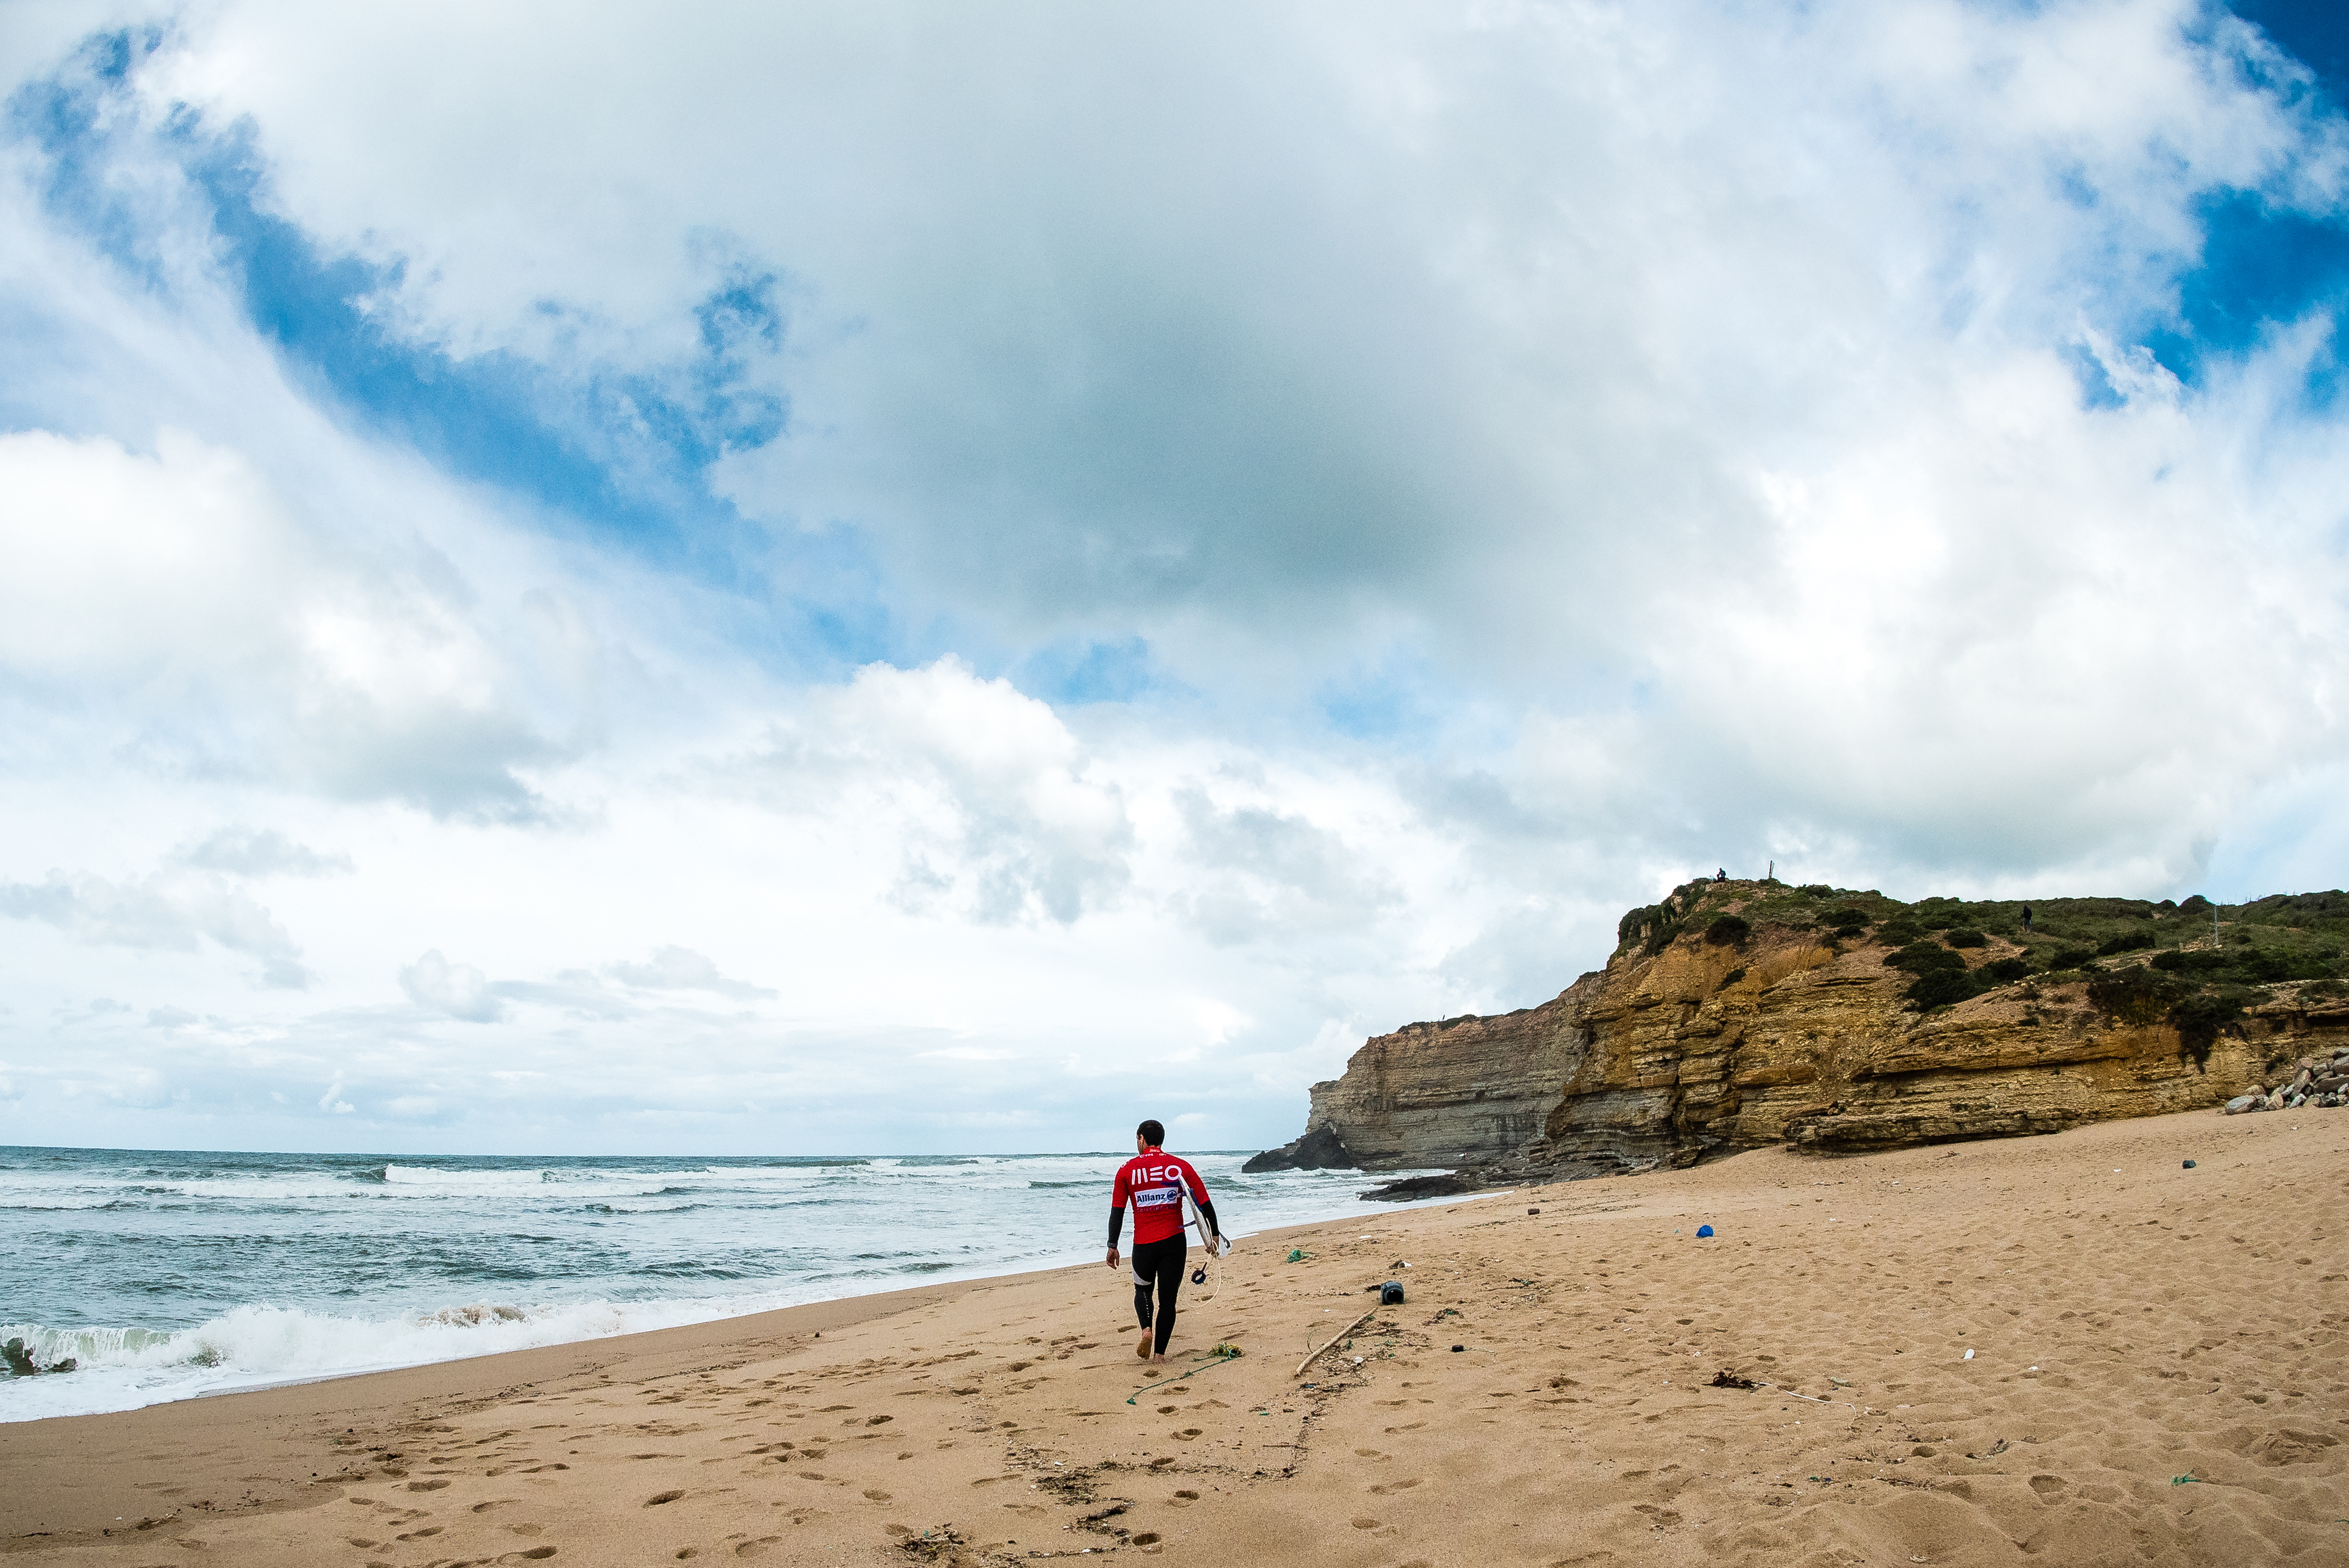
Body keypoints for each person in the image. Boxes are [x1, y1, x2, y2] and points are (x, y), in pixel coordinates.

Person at [1106, 1120, 1220, 1364]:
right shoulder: (1178, 1167)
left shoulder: (1127, 1170)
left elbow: (1117, 1211)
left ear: (1141, 1139)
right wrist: (1215, 1234)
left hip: (1144, 1245)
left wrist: (1112, 1245)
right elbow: (1203, 1200)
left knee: (1143, 1291)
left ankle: (1146, 1330)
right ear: (1162, 1139)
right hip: (1174, 1242)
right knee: (1168, 1300)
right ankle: (1159, 1356)